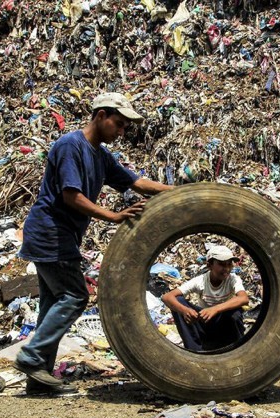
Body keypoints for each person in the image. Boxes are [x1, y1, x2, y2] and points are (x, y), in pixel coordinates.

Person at [14, 92, 173, 394]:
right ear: (101, 116)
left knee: (52, 304)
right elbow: (70, 196)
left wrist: (180, 191)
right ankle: (32, 356)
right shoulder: (70, 146)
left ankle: (38, 378)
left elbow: (136, 183)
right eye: (119, 124)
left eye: (126, 127)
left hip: (61, 235)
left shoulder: (100, 155)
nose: (122, 131)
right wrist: (113, 216)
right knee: (75, 297)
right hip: (51, 232)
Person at [161, 245, 249, 352]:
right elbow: (167, 297)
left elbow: (244, 298)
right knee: (178, 302)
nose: (226, 269)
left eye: (229, 264)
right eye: (221, 264)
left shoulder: (233, 279)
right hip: (204, 323)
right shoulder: (200, 281)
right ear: (209, 265)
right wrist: (185, 311)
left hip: (224, 324)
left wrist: (215, 309)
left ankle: (238, 349)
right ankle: (195, 351)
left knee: (236, 312)